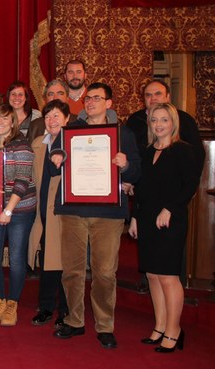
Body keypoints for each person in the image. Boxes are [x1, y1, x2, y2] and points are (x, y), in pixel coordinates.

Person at [53, 82, 141, 349]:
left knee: (104, 272)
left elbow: (137, 171)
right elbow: (54, 158)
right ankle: (74, 320)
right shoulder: (70, 130)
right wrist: (57, 156)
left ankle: (104, 325)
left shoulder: (123, 133)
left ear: (109, 103)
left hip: (108, 212)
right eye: (88, 98)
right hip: (73, 210)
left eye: (97, 98)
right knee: (72, 270)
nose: (90, 102)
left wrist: (125, 165)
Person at [129, 103, 199, 353]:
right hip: (147, 218)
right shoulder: (147, 151)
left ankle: (174, 330)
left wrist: (169, 208)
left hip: (171, 220)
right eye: (154, 120)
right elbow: (141, 190)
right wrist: (135, 218)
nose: (158, 125)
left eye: (164, 120)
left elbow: (190, 186)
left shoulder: (183, 150)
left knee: (168, 276)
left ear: (173, 123)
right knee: (152, 275)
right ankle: (159, 326)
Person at [0, 103, 36, 327]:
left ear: (13, 122)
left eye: (5, 118)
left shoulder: (22, 145)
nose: (0, 122)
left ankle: (12, 304)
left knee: (16, 259)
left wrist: (8, 210)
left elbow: (22, 181)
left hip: (20, 210)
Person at [27, 100, 70, 329]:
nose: (51, 121)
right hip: (42, 210)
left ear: (66, 119)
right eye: (47, 117)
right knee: (46, 261)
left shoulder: (73, 143)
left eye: (56, 116)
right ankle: (45, 307)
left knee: (63, 262)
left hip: (64, 213)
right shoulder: (38, 144)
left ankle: (65, 310)